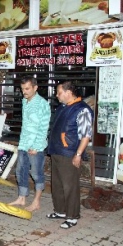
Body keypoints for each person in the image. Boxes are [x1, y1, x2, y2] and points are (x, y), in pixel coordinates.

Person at [46, 81, 93, 229]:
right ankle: (60, 211)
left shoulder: (82, 110)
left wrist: (78, 154)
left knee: (70, 186)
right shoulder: (63, 108)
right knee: (57, 185)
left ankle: (72, 216)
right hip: (57, 151)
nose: (57, 95)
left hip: (70, 153)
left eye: (59, 92)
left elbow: (86, 136)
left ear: (68, 92)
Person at [9, 76, 51, 212]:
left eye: (27, 89)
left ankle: (36, 201)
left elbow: (43, 127)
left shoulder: (42, 104)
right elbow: (26, 125)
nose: (24, 92)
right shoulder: (25, 101)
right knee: (20, 171)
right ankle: (22, 198)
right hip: (24, 143)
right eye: (22, 89)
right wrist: (22, 144)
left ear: (35, 88)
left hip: (35, 147)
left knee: (36, 173)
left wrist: (37, 146)